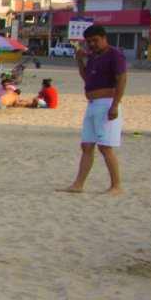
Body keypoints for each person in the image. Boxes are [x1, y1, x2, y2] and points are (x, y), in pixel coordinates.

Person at [59, 25, 126, 195]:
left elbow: (122, 80)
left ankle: (116, 185)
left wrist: (115, 105)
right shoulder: (93, 57)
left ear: (104, 38)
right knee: (87, 145)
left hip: (107, 103)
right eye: (89, 41)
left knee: (105, 147)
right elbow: (87, 78)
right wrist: (80, 61)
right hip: (92, 104)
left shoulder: (114, 54)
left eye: (95, 40)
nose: (92, 44)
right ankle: (78, 184)